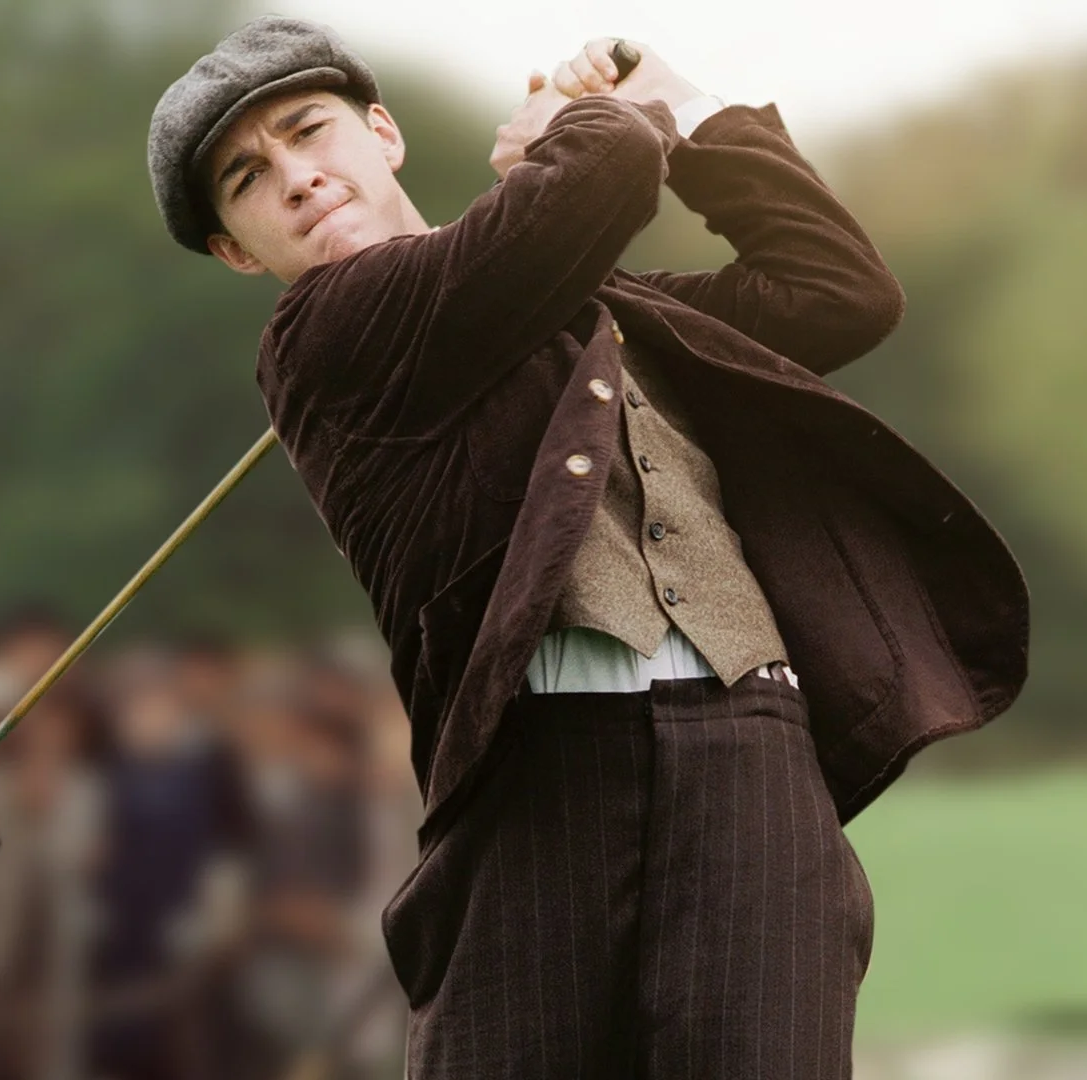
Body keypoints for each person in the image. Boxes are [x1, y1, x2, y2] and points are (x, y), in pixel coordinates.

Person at [145, 15, 1031, 1078]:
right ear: (237, 248)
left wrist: (686, 110)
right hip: (538, 786)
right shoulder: (325, 337)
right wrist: (570, 131)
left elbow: (839, 290)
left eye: (308, 131)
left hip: (754, 760)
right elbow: (599, 171)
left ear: (382, 134)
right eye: (248, 177)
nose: (296, 177)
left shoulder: (613, 311)